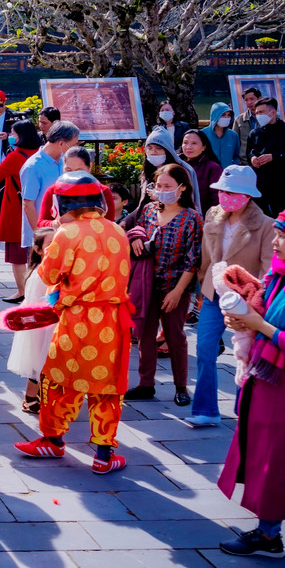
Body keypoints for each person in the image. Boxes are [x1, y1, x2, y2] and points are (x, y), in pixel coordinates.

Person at [14, 172, 133, 473]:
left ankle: (52, 440)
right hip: (113, 320)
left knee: (59, 379)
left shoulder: (67, 233)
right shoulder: (117, 231)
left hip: (77, 318)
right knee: (107, 386)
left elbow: (48, 275)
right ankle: (104, 455)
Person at [216, 214, 285, 557]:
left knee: (276, 460)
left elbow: (269, 325)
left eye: (282, 236)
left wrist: (259, 324)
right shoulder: (277, 276)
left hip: (279, 386)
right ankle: (269, 532)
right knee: (267, 458)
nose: (275, 242)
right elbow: (263, 313)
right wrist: (244, 319)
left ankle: (269, 535)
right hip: (268, 379)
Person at [188, 166, 274, 427]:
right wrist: (204, 281)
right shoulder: (213, 215)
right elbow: (206, 255)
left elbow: (267, 268)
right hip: (214, 294)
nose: (226, 197)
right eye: (224, 191)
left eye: (233, 192)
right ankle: (205, 410)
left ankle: (242, 410)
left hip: (247, 299)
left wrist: (257, 302)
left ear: (248, 196)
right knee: (204, 348)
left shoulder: (265, 225)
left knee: (244, 354)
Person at [125, 164, 203, 406]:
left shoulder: (192, 218)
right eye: (158, 185)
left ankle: (181, 387)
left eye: (168, 186)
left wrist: (178, 292)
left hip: (175, 287)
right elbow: (135, 230)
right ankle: (145, 384)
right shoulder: (149, 210)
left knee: (175, 336)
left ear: (183, 188)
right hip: (146, 284)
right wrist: (136, 238)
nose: (161, 190)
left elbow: (193, 260)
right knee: (145, 335)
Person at [0, 119, 41, 300]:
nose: (12, 137)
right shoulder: (40, 153)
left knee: (17, 254)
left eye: (14, 134)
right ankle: (36, 291)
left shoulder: (16, 156)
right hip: (38, 207)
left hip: (16, 209)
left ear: (21, 136)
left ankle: (22, 291)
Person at [6, 226, 57, 414]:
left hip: (52, 322)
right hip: (41, 325)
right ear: (38, 250)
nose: (55, 247)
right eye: (50, 244)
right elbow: (35, 303)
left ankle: (46, 394)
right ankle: (30, 397)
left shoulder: (54, 267)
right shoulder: (39, 273)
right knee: (38, 363)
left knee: (47, 362)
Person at [20, 121, 79, 256]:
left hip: (64, 233)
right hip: (43, 238)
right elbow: (28, 204)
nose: (74, 149)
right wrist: (40, 236)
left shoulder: (65, 161)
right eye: (73, 145)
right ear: (61, 143)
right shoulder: (33, 166)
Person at [140, 124, 201, 212]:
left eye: (158, 148)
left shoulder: (180, 171)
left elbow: (187, 200)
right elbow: (142, 205)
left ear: (168, 150)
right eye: (149, 148)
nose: (153, 152)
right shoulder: (147, 170)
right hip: (151, 217)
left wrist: (160, 197)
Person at [248, 97, 285, 215]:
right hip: (260, 184)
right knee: (261, 216)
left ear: (273, 112)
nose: (258, 115)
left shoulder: (284, 130)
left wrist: (274, 156)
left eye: (261, 112)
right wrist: (252, 159)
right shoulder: (254, 133)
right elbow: (249, 152)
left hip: (281, 183)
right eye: (257, 113)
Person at [180, 128, 223, 211]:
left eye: (194, 143)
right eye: (185, 143)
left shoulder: (213, 168)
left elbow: (216, 198)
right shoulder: (176, 164)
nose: (188, 147)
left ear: (204, 147)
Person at [207, 101, 241, 169]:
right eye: (223, 115)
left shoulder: (233, 135)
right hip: (209, 172)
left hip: (228, 173)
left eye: (229, 115)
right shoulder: (203, 134)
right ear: (215, 115)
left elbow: (237, 155)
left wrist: (233, 166)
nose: (226, 117)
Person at [235, 87, 264, 158]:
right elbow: (234, 141)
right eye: (246, 100)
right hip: (245, 160)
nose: (249, 102)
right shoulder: (239, 119)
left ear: (259, 98)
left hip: (264, 159)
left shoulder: (268, 117)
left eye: (252, 99)